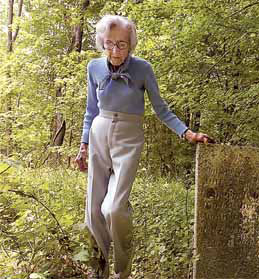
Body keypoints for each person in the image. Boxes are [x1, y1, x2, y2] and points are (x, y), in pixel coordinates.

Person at [75, 15, 211, 279]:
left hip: (128, 137)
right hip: (98, 133)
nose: (115, 50)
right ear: (102, 42)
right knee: (93, 210)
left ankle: (121, 271)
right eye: (110, 43)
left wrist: (187, 133)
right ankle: (97, 269)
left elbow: (162, 109)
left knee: (113, 208)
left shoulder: (143, 69)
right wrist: (83, 144)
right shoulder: (93, 67)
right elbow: (90, 110)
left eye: (122, 44)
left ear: (131, 44)